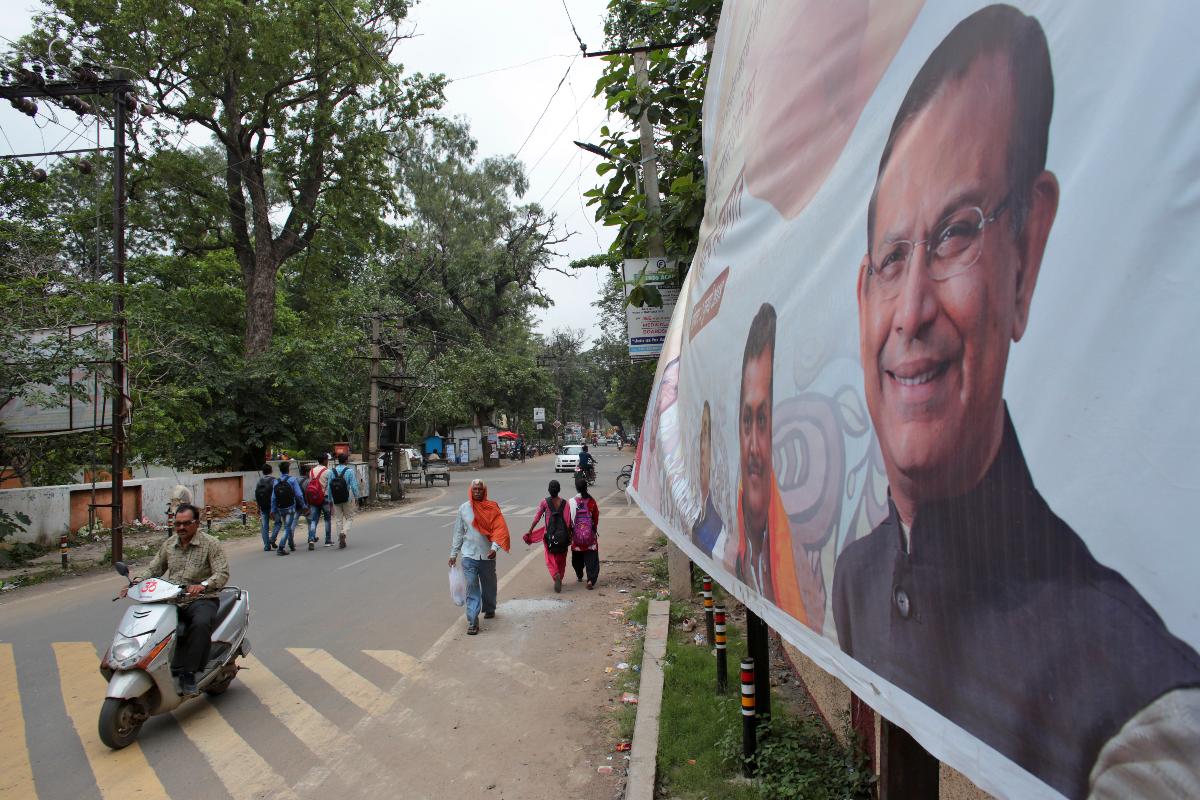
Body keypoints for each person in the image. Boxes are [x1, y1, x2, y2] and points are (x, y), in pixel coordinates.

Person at [832, 7, 1200, 797]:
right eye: (893, 258)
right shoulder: (856, 581)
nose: (911, 313)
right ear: (862, 296)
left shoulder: (1140, 718)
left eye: (957, 234)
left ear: (1026, 255)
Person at [724, 303, 809, 625]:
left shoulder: (802, 571)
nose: (754, 446)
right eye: (747, 421)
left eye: (764, 419)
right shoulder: (733, 543)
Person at [121, 504, 229, 695]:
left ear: (196, 523)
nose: (181, 528)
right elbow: (154, 569)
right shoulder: (169, 544)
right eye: (177, 523)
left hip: (201, 599)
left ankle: (190, 673)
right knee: (151, 623)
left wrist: (203, 585)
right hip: (172, 599)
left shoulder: (210, 544)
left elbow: (222, 573)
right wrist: (136, 582)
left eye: (186, 523)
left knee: (201, 624)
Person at [448, 479, 510, 634]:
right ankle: (473, 621)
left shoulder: (492, 507)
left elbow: (499, 529)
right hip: (469, 555)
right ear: (471, 490)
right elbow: (458, 533)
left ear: (484, 491)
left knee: (489, 585)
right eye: (474, 489)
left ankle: (489, 607)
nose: (477, 491)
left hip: (487, 555)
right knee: (472, 586)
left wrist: (495, 547)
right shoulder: (464, 509)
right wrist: (453, 554)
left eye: (480, 489)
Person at [690, 401, 726, 559]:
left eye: (707, 436)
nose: (703, 448)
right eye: (701, 436)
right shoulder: (693, 511)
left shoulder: (719, 525)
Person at [525, 479, 572, 593]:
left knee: (550, 557)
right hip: (563, 536)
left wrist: (530, 530)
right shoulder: (566, 504)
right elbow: (568, 521)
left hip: (549, 536)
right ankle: (560, 576)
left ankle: (555, 574)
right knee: (562, 557)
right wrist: (569, 535)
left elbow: (537, 517)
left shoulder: (545, 502)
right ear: (559, 490)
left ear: (549, 490)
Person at [569, 474, 600, 589]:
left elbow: (569, 519)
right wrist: (594, 528)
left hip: (576, 537)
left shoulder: (572, 502)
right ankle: (590, 580)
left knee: (576, 559)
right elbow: (596, 517)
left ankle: (579, 574)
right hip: (590, 537)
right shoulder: (591, 501)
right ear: (586, 487)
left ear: (577, 488)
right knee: (591, 558)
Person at [270, 459, 304, 556]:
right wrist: (304, 505)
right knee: (287, 527)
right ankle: (281, 547)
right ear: (288, 470)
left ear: (280, 470)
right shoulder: (292, 480)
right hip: (290, 507)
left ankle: (291, 544)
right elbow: (299, 495)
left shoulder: (276, 481)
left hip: (280, 508)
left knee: (287, 526)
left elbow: (273, 497)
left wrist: (272, 510)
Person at [328, 452, 360, 549]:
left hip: (335, 499)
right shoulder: (349, 471)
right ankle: (344, 532)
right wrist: (357, 497)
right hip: (346, 498)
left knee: (338, 519)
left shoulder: (331, 471)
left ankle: (340, 538)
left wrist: (330, 499)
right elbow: (354, 486)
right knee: (349, 517)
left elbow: (329, 487)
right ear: (346, 461)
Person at [306, 453, 333, 549]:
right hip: (325, 498)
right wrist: (331, 501)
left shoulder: (311, 471)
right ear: (325, 460)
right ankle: (328, 540)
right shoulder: (328, 472)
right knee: (327, 519)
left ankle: (311, 538)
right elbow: (330, 487)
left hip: (314, 498)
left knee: (313, 520)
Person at [253, 463, 275, 551]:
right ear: (271, 471)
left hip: (262, 506)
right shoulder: (274, 480)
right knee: (278, 523)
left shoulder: (259, 481)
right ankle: (272, 539)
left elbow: (257, 495)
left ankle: (266, 546)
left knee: (264, 526)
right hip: (272, 506)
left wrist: (258, 507)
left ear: (263, 472)